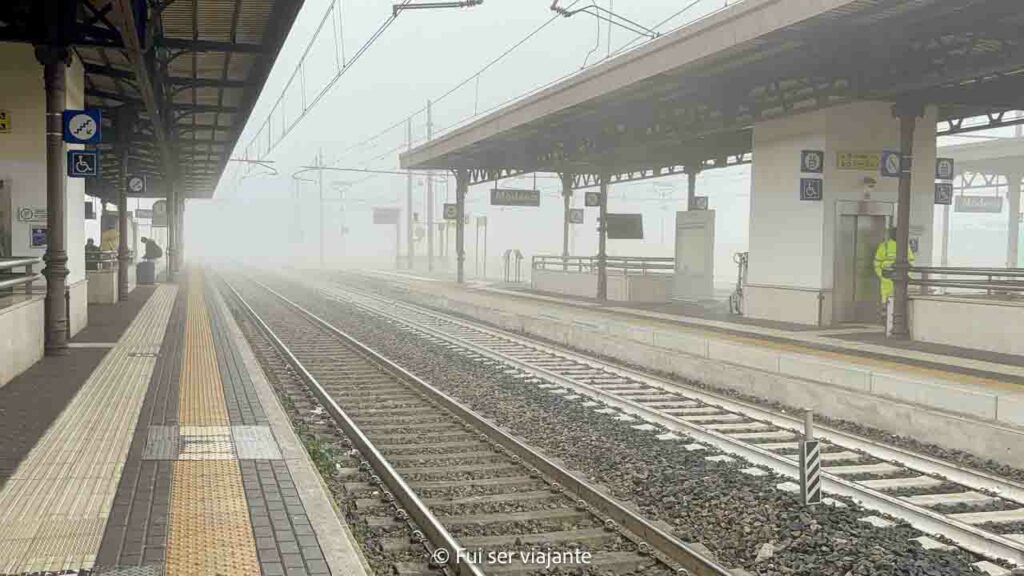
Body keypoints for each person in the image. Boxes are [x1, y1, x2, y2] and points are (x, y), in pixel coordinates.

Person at [873, 227, 915, 314]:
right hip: (890, 276)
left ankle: (887, 315)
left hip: (889, 276)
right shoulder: (903, 246)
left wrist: (880, 274)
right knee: (893, 296)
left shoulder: (885, 246)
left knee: (887, 297)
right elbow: (911, 262)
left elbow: (877, 262)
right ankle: (890, 315)